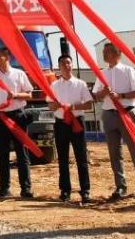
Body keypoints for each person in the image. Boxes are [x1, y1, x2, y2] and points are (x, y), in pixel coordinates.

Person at [93, 42, 135, 201]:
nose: (104, 55)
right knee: (114, 153)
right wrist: (103, 92)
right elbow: (96, 96)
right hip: (109, 115)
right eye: (104, 52)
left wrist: (121, 96)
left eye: (108, 51)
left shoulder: (128, 70)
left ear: (117, 53)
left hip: (126, 113)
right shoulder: (102, 73)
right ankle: (120, 187)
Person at [0, 46, 34, 199]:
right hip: (1, 117)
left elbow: (29, 94)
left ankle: (26, 188)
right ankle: (4, 188)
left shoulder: (19, 74)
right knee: (2, 154)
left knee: (21, 153)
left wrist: (16, 95)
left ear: (7, 57)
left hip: (18, 116)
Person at [48, 55, 93, 204]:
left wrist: (73, 107)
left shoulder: (80, 84)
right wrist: (55, 106)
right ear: (59, 67)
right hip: (61, 123)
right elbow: (50, 105)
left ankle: (85, 191)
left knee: (81, 157)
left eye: (68, 62)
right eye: (62, 63)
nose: (66, 65)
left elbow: (88, 104)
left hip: (76, 122)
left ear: (72, 65)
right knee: (63, 159)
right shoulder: (54, 85)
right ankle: (65, 190)